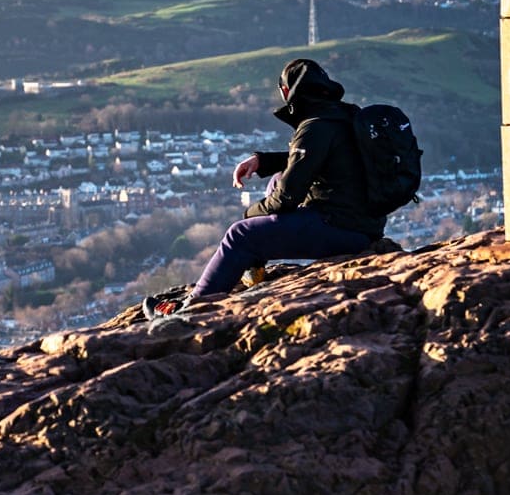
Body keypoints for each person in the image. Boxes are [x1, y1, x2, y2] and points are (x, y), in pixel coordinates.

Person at [146, 58, 383, 316]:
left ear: (286, 92)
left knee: (240, 235)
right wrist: (263, 161)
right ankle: (253, 272)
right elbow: (316, 159)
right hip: (363, 223)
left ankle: (190, 310)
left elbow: (286, 199)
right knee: (275, 181)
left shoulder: (316, 127)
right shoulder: (343, 116)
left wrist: (251, 215)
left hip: (343, 228)